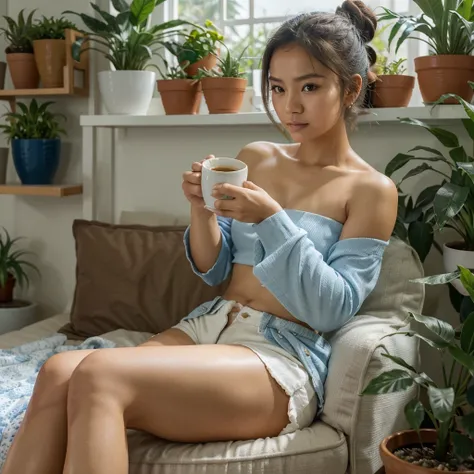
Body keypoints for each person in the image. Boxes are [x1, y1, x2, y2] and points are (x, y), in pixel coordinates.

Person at [2, 1, 397, 473]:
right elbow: (215, 269)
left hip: (281, 356)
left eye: (310, 86)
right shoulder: (259, 156)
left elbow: (333, 308)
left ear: (351, 88)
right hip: (208, 327)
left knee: (100, 376)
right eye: (277, 87)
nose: (290, 105)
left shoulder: (371, 190)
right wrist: (200, 210)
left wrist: (273, 220)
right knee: (59, 371)